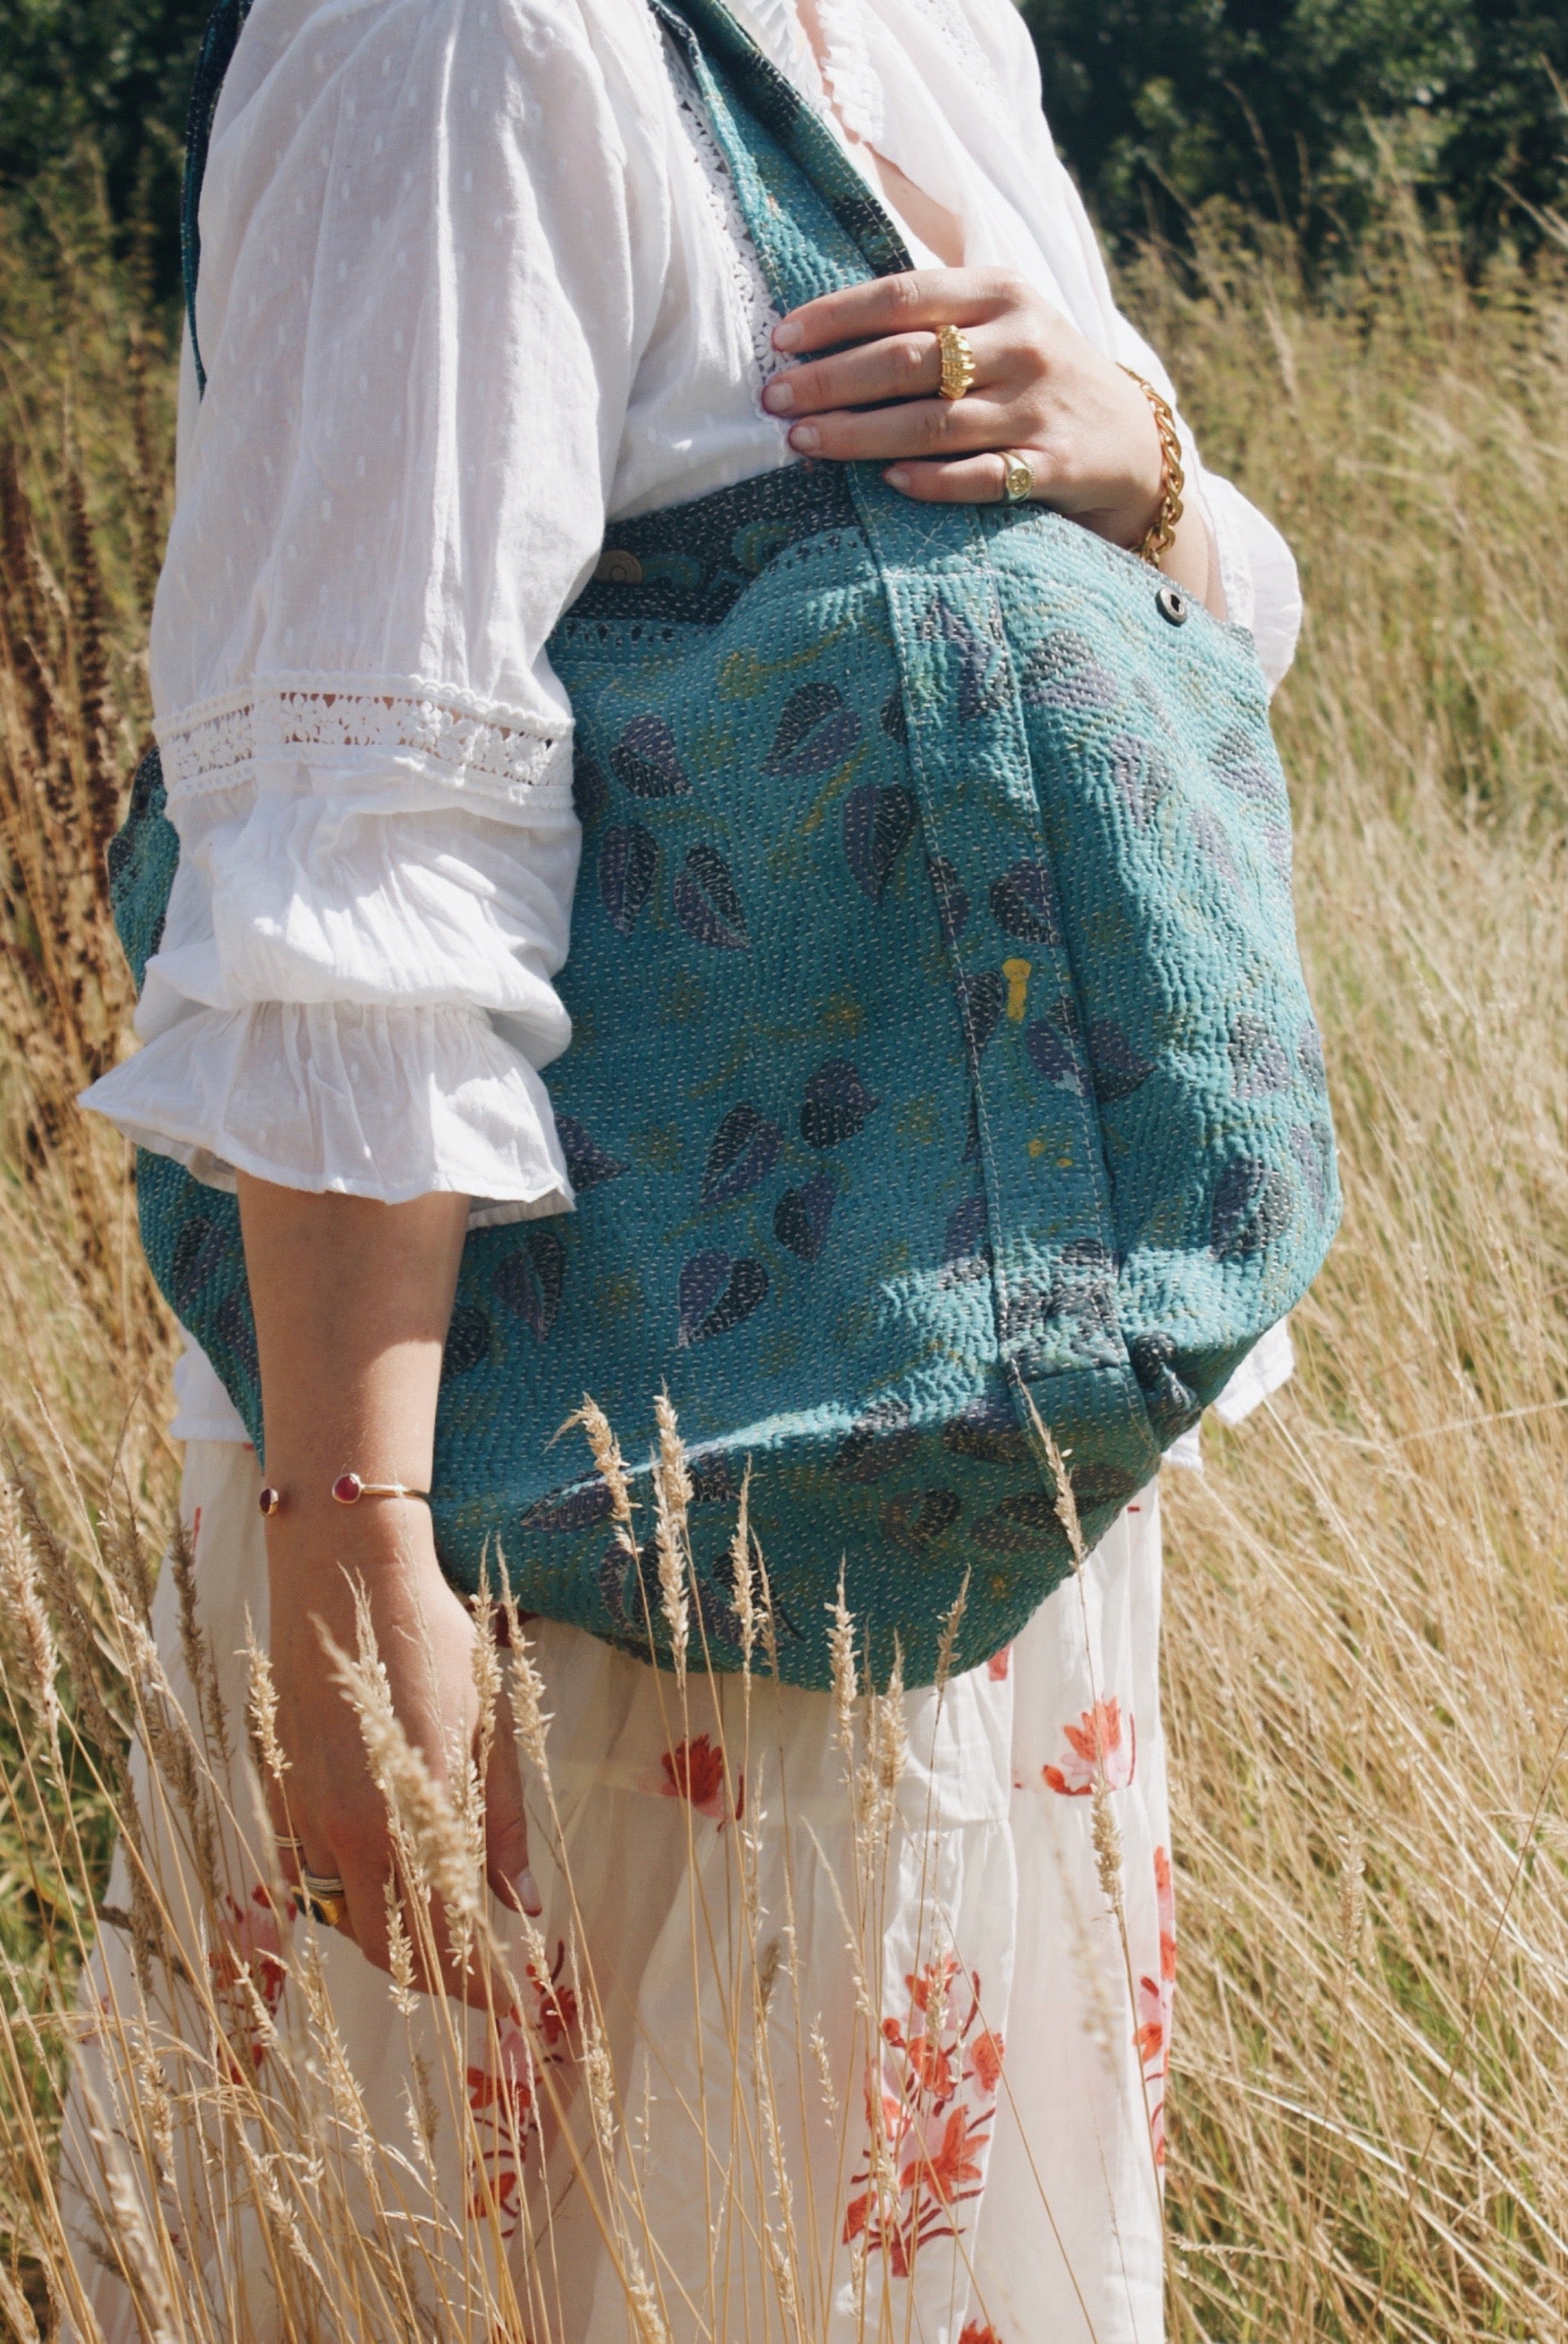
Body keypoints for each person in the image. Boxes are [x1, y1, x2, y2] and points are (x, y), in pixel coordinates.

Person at [69, 0, 1302, 2335]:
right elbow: (354, 850)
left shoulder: (936, 28)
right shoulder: (453, 39)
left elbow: (1181, 656)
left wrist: (1137, 455)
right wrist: (352, 1579)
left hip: (944, 1529)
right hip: (545, 1535)